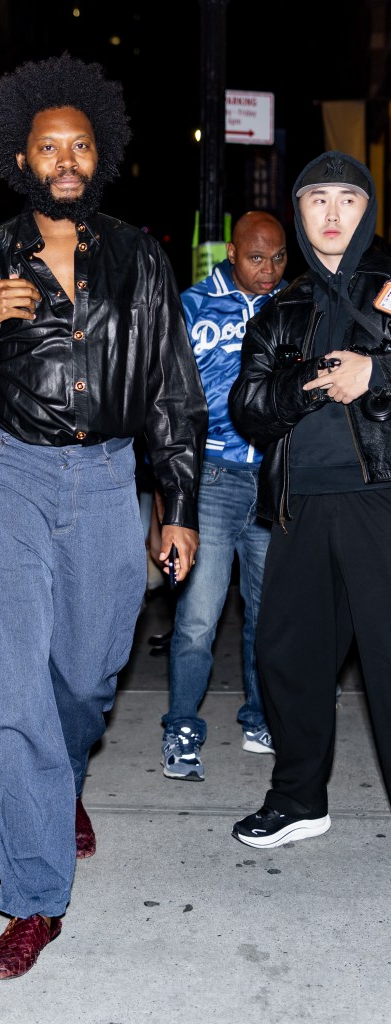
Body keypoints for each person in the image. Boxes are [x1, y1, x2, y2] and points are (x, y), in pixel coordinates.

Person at [0, 53, 208, 978]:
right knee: (14, 692)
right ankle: (33, 899)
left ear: (99, 156)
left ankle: (61, 776)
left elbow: (172, 393)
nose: (67, 159)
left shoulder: (138, 257)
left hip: (109, 478)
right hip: (11, 482)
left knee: (85, 675)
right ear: (22, 159)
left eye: (81, 145)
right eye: (51, 147)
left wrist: (179, 507)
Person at [228, 151, 391, 848]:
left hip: (379, 503)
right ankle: (298, 800)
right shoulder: (281, 309)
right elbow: (247, 405)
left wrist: (375, 371)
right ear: (297, 214)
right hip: (299, 506)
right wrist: (304, 387)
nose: (330, 214)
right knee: (286, 657)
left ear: (366, 210)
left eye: (345, 200)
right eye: (315, 200)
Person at [154, 212, 288, 781]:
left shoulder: (290, 307)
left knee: (267, 613)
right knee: (199, 617)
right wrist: (166, 499)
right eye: (257, 257)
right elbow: (162, 397)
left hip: (271, 478)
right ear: (231, 253)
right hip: (209, 475)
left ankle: (259, 716)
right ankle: (182, 727)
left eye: (279, 257)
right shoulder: (191, 305)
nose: (268, 269)